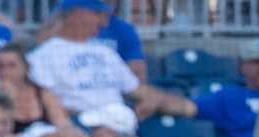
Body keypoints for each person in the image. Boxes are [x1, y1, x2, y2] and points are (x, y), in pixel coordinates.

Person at [26, 0, 180, 118]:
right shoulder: (44, 54)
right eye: (99, 14)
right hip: (82, 126)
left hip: (120, 126)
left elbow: (137, 88)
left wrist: (156, 100)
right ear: (78, 13)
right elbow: (44, 102)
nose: (104, 22)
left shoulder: (105, 52)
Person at [0, 42, 91, 137]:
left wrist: (75, 135)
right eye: (1, 66)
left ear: (25, 67)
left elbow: (63, 124)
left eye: (12, 65)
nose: (6, 72)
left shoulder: (43, 93)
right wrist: (7, 99)